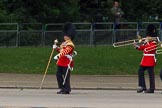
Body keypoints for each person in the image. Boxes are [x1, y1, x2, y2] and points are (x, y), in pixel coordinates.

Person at [53, 22, 76, 94]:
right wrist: (56, 48)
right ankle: (62, 88)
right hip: (61, 61)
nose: (64, 36)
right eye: (65, 35)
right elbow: (61, 50)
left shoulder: (70, 44)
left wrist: (58, 55)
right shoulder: (64, 43)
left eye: (66, 35)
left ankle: (67, 89)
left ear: (70, 36)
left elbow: (65, 52)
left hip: (66, 62)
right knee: (58, 74)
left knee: (66, 76)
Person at [134, 24, 157, 93]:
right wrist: (137, 46)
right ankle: (143, 86)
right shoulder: (147, 42)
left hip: (150, 59)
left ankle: (152, 88)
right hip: (145, 59)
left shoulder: (154, 42)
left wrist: (146, 43)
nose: (147, 37)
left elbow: (150, 49)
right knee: (140, 71)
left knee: (151, 74)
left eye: (148, 36)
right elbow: (142, 48)